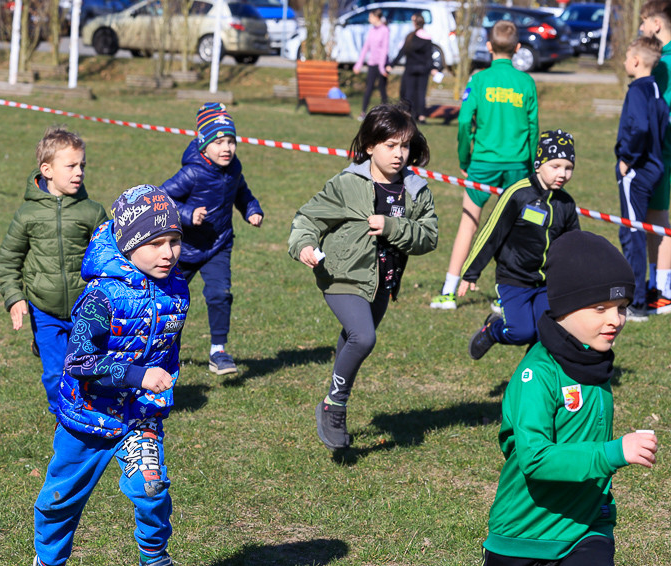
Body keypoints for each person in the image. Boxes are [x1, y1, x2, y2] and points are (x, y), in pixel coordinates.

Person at [417, 230, 657, 566]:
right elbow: (536, 459)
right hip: (522, 533)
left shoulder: (595, 365)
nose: (616, 320)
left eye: (622, 308)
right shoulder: (536, 375)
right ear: (563, 308)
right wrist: (613, 452)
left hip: (585, 528)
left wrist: (601, 501)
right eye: (601, 308)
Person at [31, 184, 191, 566]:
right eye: (155, 243)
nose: (169, 253)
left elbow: (167, 350)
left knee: (152, 492)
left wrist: (160, 387)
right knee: (60, 501)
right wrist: (139, 375)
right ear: (128, 244)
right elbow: (79, 359)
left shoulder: (176, 290)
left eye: (174, 241)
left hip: (139, 418)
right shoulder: (101, 297)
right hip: (87, 418)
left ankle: (155, 558)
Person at [288, 104, 438, 450]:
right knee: (363, 337)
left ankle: (329, 402)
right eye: (390, 145)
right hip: (341, 275)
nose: (399, 154)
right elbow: (308, 218)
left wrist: (392, 227)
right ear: (370, 146)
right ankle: (335, 408)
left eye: (405, 145)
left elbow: (429, 237)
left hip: (382, 284)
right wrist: (305, 245)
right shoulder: (347, 183)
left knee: (352, 339)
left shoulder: (415, 190)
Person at [0, 127, 108, 419]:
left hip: (86, 309)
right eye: (70, 166)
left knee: (88, 368)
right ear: (46, 170)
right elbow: (9, 260)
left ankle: (92, 412)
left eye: (82, 165)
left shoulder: (92, 212)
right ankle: (65, 419)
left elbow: (110, 258)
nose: (79, 172)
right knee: (55, 374)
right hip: (43, 309)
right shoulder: (27, 214)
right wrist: (15, 297)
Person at [430, 20, 538, 311]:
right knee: (515, 230)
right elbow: (533, 128)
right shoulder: (527, 82)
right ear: (517, 49)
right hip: (517, 164)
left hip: (483, 162)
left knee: (469, 222)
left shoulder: (478, 80)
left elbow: (464, 122)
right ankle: (508, 297)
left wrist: (465, 158)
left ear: (489, 47)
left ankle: (449, 291)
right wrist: (531, 169)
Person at [161, 102, 263, 375]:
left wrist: (252, 210)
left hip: (218, 245)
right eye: (219, 142)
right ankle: (163, 351)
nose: (226, 148)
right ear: (204, 145)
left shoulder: (233, 169)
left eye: (231, 141)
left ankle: (218, 350)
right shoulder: (192, 172)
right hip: (185, 248)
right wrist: (187, 213)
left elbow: (242, 193)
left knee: (220, 294)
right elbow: (161, 196)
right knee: (170, 302)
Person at [462, 130, 580, 360]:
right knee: (521, 332)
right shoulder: (517, 194)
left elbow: (574, 244)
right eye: (555, 166)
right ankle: (493, 330)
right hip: (514, 278)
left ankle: (532, 377)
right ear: (538, 164)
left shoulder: (566, 203)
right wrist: (471, 272)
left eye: (568, 168)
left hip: (547, 282)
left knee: (547, 332)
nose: (562, 174)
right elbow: (491, 233)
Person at [616, 36, 669, 321]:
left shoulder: (638, 90)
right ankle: (640, 294)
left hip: (636, 172)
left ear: (636, 61)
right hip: (654, 169)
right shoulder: (657, 90)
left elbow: (641, 127)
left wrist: (627, 158)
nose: (625, 62)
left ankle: (635, 302)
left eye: (626, 57)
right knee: (640, 230)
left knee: (632, 232)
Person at [638, 1, 671, 312]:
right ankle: (655, 284)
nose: (642, 28)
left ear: (657, 25)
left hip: (662, 152)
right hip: (656, 151)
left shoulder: (663, 64)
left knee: (659, 217)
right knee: (652, 217)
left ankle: (663, 291)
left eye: (644, 22)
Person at [392, 13, 436, 123]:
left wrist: (391, 64)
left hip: (410, 68)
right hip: (423, 69)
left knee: (408, 92)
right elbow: (429, 56)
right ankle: (421, 116)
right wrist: (433, 68)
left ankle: (408, 114)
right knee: (421, 92)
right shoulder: (427, 37)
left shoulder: (410, 37)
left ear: (415, 23)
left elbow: (402, 52)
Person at [353, 9, 391, 121]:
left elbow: (384, 49)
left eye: (370, 17)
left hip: (382, 64)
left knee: (382, 89)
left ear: (377, 17)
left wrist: (382, 67)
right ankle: (363, 112)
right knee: (368, 88)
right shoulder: (372, 30)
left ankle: (387, 114)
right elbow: (366, 47)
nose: (369, 19)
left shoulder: (385, 30)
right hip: (372, 63)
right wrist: (358, 65)